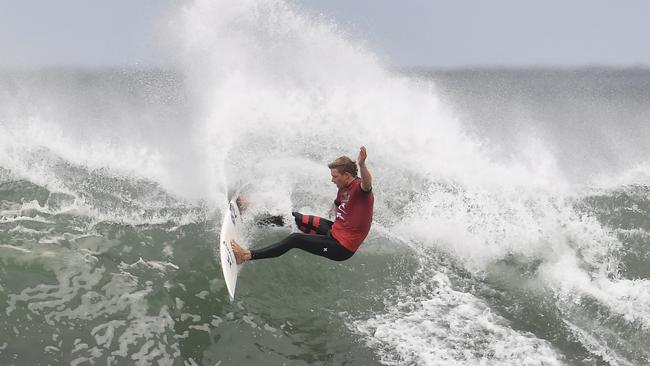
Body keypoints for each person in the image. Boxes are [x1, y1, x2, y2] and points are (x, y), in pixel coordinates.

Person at [231, 146, 374, 264]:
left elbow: (367, 184)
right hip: (334, 230)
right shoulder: (343, 188)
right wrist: (334, 209)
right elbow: (338, 202)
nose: (332, 180)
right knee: (293, 217)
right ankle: (254, 214)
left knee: (295, 239)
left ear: (347, 175)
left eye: (335, 176)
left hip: (341, 247)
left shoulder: (360, 190)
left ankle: (245, 255)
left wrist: (362, 165)